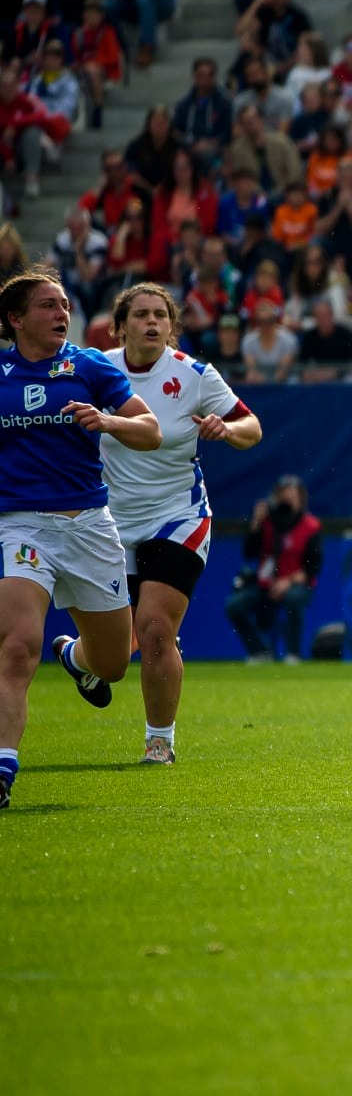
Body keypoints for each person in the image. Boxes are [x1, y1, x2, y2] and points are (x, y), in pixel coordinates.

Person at [0, 267, 163, 809]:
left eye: (65, 304)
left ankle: (76, 659)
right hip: (21, 526)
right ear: (16, 318)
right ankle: (3, 766)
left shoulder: (87, 365)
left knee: (115, 662)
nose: (61, 314)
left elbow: (151, 431)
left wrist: (108, 422)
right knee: (18, 647)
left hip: (91, 527)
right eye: (48, 305)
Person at [101, 283, 262, 764]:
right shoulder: (97, 368)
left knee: (154, 629)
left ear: (171, 326)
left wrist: (226, 430)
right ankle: (77, 658)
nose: (152, 323)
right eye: (141, 315)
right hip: (107, 521)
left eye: (160, 316)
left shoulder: (194, 375)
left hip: (179, 514)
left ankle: (159, 742)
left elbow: (251, 428)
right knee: (111, 653)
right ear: (121, 324)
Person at [224, 476, 321, 664]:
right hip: (264, 585)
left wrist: (287, 582)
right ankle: (260, 651)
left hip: (294, 584)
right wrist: (256, 523)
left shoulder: (310, 526)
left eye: (293, 497)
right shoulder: (268, 522)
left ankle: (293, 654)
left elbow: (313, 567)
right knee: (234, 606)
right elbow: (249, 553)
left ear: (301, 500)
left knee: (294, 599)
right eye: (284, 497)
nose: (288, 501)